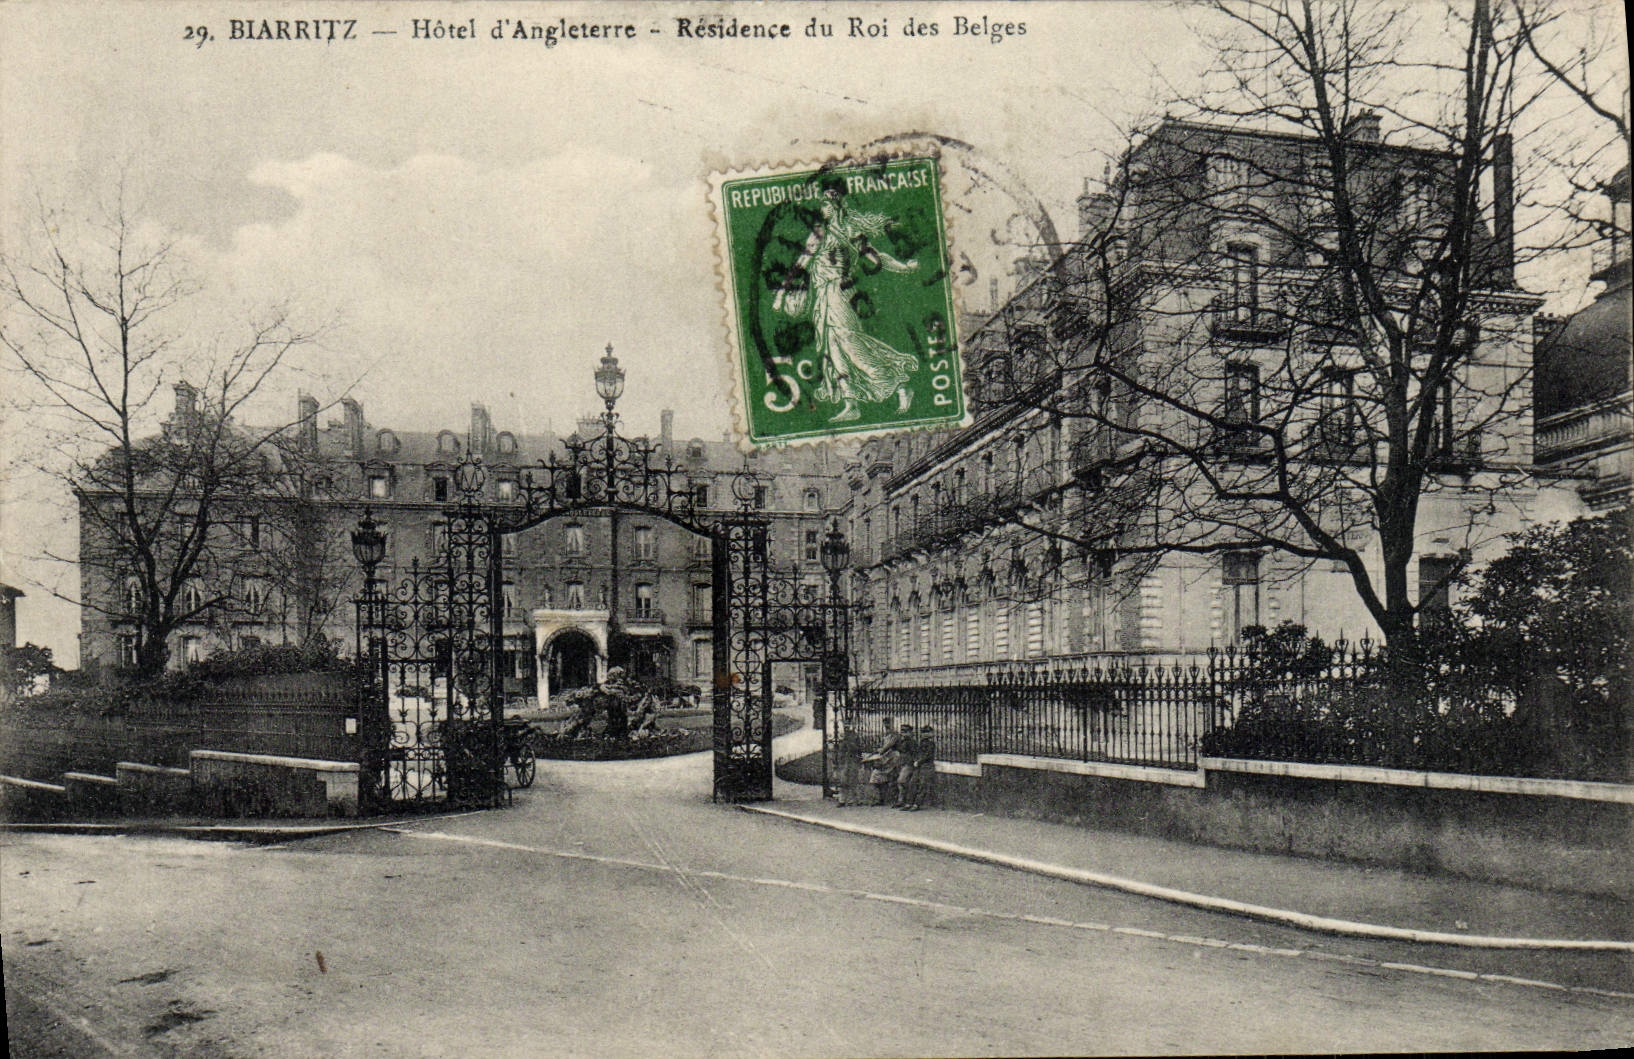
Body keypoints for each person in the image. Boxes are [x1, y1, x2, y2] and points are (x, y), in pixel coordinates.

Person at [774, 183, 921, 423]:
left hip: (840, 292)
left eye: (826, 204)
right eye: (822, 205)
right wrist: (782, 293)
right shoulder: (819, 233)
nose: (822, 209)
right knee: (831, 348)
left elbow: (876, 257)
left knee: (850, 342)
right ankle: (850, 402)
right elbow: (801, 263)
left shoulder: (849, 229)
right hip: (822, 296)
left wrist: (904, 267)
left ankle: (899, 385)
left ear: (836, 206)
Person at [903, 725, 937, 811]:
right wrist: (916, 760)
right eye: (924, 732)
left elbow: (927, 755)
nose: (925, 734)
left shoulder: (931, 744)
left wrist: (918, 761)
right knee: (912, 783)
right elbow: (917, 753)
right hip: (919, 765)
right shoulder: (921, 742)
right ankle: (909, 803)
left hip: (927, 766)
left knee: (922, 784)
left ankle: (917, 804)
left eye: (927, 732)